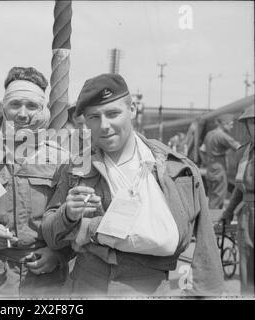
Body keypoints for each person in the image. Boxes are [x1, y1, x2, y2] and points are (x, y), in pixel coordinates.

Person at [42, 73, 224, 296]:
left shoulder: (179, 169)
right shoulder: (76, 168)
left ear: (133, 110)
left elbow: (198, 249)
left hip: (157, 288)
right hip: (92, 286)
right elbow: (51, 234)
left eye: (113, 114)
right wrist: (68, 214)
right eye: (94, 117)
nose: (104, 125)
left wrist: (188, 292)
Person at [0, 66, 71, 297]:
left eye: (32, 106)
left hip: (46, 281)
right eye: (15, 104)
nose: (23, 114)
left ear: (44, 110)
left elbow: (76, 222)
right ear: (4, 108)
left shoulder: (63, 162)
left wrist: (59, 254)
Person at [221, 105, 254, 296]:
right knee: (246, 265)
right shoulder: (245, 152)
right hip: (247, 214)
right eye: (253, 123)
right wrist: (228, 212)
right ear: (247, 126)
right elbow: (239, 190)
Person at [202, 114, 241, 209]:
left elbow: (202, 150)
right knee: (218, 197)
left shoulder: (209, 134)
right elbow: (238, 147)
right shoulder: (222, 136)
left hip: (210, 167)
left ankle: (210, 218)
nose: (232, 127)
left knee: (212, 196)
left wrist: (207, 161)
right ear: (224, 124)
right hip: (219, 168)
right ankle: (213, 221)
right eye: (230, 124)